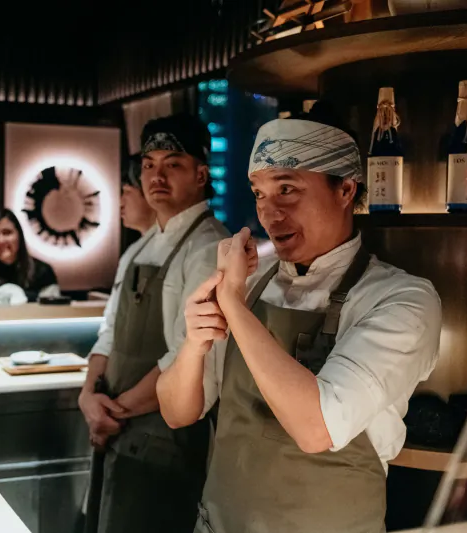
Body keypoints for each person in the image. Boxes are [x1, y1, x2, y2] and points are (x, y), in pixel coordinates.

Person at [157, 103, 442, 533]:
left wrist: (232, 304)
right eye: (259, 193)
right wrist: (195, 344)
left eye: (287, 189)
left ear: (346, 189)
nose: (269, 214)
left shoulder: (402, 298)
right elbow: (177, 412)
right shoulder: (250, 285)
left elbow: (317, 428)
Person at [81, 114, 229, 533]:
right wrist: (88, 396)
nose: (156, 176)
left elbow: (187, 355)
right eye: (149, 165)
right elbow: (108, 331)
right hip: (116, 429)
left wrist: (114, 412)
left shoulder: (208, 247)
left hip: (164, 438)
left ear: (201, 173)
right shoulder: (140, 247)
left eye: (173, 164)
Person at [0, 208, 59, 305]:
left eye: (7, 233)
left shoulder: (43, 271)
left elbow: (50, 309)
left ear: (19, 235)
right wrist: (33, 297)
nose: (0, 240)